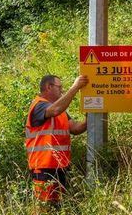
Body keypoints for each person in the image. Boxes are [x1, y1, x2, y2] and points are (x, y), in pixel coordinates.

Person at [25, 74, 88, 204]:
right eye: (60, 87)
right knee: (45, 209)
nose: (62, 91)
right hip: (43, 168)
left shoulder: (60, 110)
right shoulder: (39, 106)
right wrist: (75, 87)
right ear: (49, 87)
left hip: (60, 167)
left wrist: (92, 115)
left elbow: (75, 128)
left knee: (58, 208)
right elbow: (54, 110)